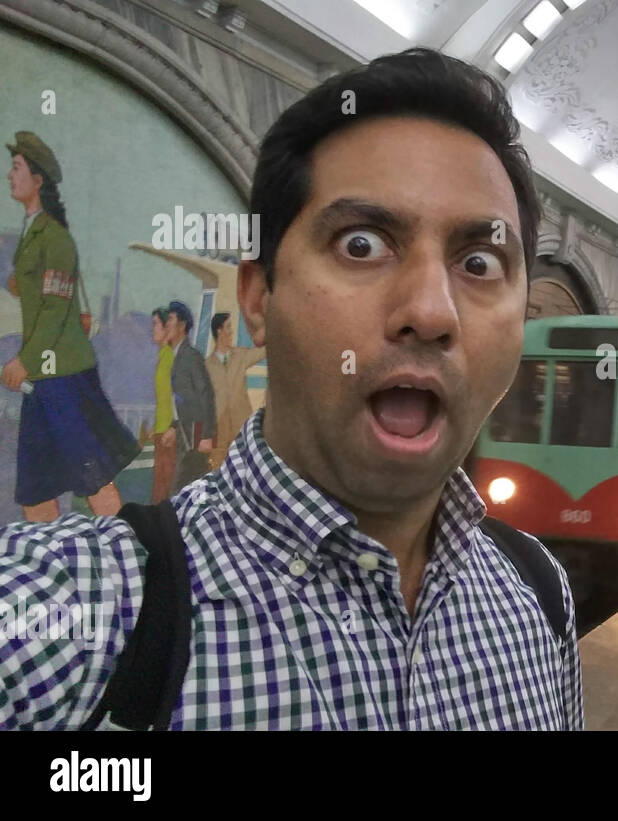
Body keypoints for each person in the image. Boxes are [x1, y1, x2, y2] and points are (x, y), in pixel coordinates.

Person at [0, 48, 583, 729]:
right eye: (362, 245)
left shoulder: (538, 596)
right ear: (258, 297)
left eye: (479, 262)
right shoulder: (71, 620)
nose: (431, 310)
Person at [2, 132, 139, 521]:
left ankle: (121, 551)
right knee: (34, 486)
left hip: (62, 373)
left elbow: (55, 310)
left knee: (92, 475)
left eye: (17, 169)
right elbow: (36, 287)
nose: (9, 176)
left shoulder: (56, 238)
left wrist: (23, 361)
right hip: (45, 379)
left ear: (38, 180)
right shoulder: (33, 234)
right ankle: (44, 560)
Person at [165, 300, 217, 490]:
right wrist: (174, 426)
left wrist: (207, 436)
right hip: (185, 434)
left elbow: (207, 395)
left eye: (170, 319)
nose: (167, 324)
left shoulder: (191, 356)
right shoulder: (178, 356)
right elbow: (182, 400)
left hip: (196, 435)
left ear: (182, 325)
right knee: (192, 489)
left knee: (183, 489)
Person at [205, 312, 267, 469]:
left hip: (241, 427)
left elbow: (262, 351)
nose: (232, 332)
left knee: (245, 470)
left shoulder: (240, 355)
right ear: (219, 331)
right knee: (218, 473)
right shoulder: (206, 366)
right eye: (228, 328)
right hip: (219, 431)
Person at [150, 307, 178, 504]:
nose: (152, 329)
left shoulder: (171, 357)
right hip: (161, 431)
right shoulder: (163, 356)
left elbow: (178, 396)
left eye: (155, 324)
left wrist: (172, 427)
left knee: (165, 489)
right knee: (160, 486)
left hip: (170, 434)